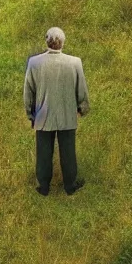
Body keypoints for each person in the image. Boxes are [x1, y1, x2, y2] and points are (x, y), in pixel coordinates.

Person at [24, 27, 89, 196]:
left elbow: (28, 91)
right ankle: (70, 185)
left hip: (42, 115)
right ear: (63, 42)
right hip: (67, 114)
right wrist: (82, 108)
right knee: (68, 151)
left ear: (47, 42)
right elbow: (81, 88)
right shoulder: (75, 62)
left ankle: (43, 187)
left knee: (43, 151)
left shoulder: (34, 63)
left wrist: (30, 113)